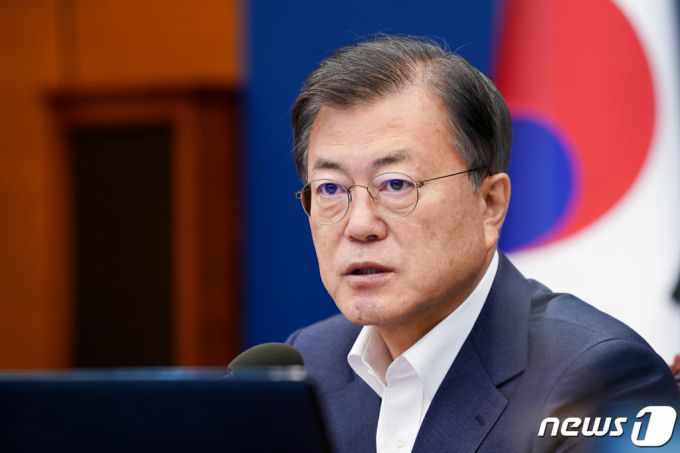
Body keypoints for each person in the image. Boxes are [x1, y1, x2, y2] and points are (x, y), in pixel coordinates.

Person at [286, 35, 678, 453]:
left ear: (490, 204)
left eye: (396, 185)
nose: (360, 224)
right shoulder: (306, 363)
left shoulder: (600, 378)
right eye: (330, 188)